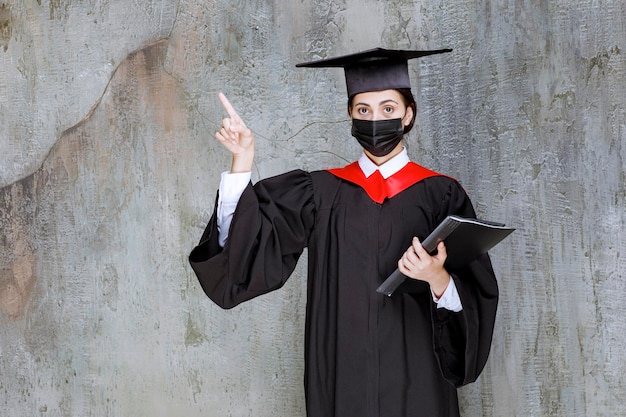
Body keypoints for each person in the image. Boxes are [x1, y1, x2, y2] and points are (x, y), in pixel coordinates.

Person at [189, 48, 499, 417]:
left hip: (419, 381)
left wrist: (438, 277)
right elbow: (248, 248)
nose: (375, 119)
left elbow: (474, 295)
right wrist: (242, 160)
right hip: (341, 377)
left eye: (388, 109)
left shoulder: (441, 195)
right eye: (363, 110)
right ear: (350, 115)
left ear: (408, 114)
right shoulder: (320, 193)